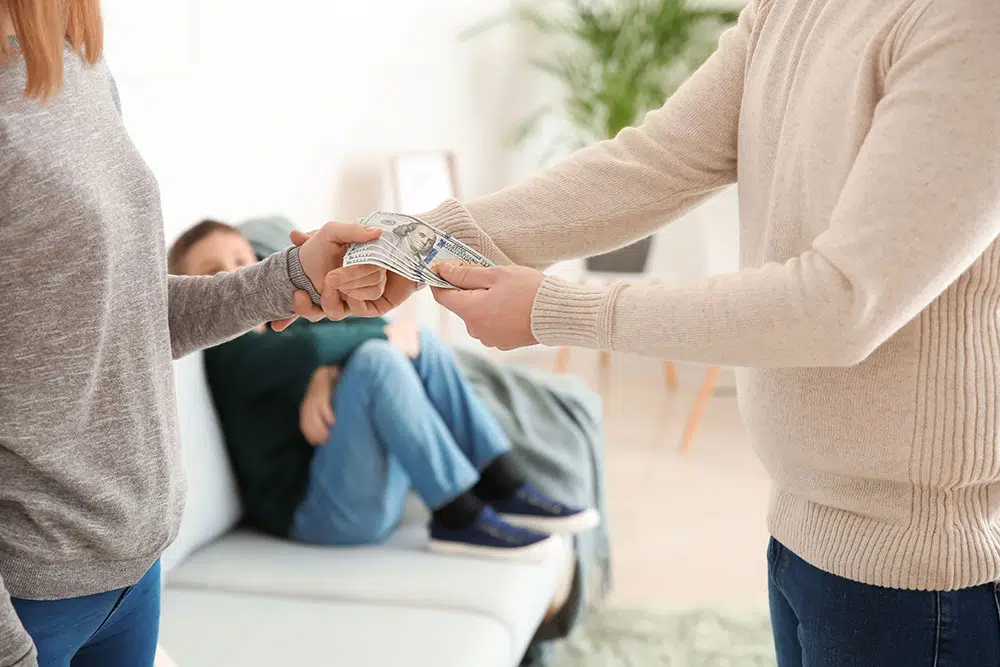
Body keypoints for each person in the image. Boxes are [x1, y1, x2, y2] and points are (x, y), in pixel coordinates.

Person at [300, 1, 1000, 665]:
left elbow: (842, 302)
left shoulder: (972, 25)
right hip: (802, 528)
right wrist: (417, 246)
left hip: (922, 574)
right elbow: (657, 162)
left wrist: (561, 310)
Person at [0, 5, 386, 667]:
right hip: (33, 601)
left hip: (136, 566)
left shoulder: (78, 66)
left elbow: (127, 313)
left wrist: (289, 277)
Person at [169, 220, 598, 561]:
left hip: (363, 489)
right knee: (379, 357)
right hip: (319, 515)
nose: (234, 276)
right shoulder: (224, 350)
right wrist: (343, 353)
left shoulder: (287, 322)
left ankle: (501, 482)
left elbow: (330, 340)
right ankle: (456, 515)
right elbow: (314, 347)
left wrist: (331, 372)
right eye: (212, 274)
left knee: (422, 343)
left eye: (243, 260)